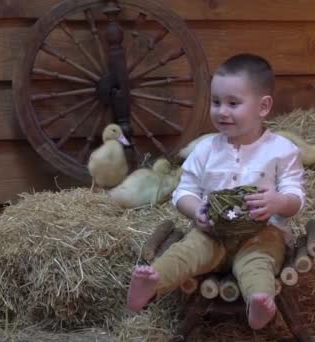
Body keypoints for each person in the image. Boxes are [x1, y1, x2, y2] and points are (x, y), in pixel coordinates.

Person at [126, 53, 305, 330]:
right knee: (186, 252)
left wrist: (277, 202)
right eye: (216, 102)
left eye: (233, 103)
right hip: (211, 233)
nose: (222, 111)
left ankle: (258, 302)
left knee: (259, 263)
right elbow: (183, 191)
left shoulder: (282, 150)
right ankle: (151, 283)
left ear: (263, 106)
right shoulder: (205, 149)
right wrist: (195, 209)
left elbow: (296, 198)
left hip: (260, 234)